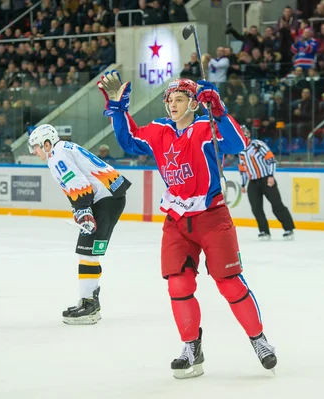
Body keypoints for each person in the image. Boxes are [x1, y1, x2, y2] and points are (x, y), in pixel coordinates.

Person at [97, 71, 277, 378]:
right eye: (170, 100)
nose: (173, 105)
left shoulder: (206, 128)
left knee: (229, 283)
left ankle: (259, 340)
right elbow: (128, 140)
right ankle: (191, 346)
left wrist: (219, 111)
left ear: (194, 102)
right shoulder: (158, 130)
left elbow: (238, 144)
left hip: (212, 217)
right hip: (177, 220)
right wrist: (118, 108)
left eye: (180, 99)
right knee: (178, 284)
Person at [28, 124, 131, 324]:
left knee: (87, 253)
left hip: (106, 200)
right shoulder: (64, 148)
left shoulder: (56, 154)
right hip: (110, 197)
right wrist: (81, 208)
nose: (35, 152)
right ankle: (90, 301)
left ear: (47, 143)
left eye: (37, 147)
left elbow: (77, 182)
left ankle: (90, 305)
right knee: (88, 253)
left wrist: (83, 210)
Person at [237, 125, 295, 240]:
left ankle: (289, 228)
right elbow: (242, 169)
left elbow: (271, 160)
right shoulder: (240, 151)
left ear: (248, 134)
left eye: (244, 133)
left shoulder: (258, 145)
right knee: (256, 208)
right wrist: (243, 184)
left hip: (266, 179)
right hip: (253, 182)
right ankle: (264, 231)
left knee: (277, 204)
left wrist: (270, 176)